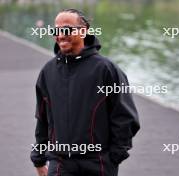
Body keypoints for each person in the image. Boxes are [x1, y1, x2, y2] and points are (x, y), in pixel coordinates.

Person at [30, 9, 140, 176]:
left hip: (99, 164)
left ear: (83, 31)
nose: (60, 35)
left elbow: (125, 117)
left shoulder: (106, 70)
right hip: (60, 165)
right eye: (55, 31)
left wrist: (113, 157)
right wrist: (38, 158)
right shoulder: (48, 71)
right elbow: (43, 119)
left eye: (66, 30)